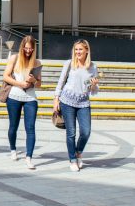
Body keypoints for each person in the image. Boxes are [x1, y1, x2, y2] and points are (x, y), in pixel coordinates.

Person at [54, 39, 99, 172]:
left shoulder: (93, 67)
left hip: (83, 102)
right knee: (71, 133)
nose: (78, 52)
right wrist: (56, 100)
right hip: (67, 101)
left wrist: (94, 84)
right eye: (76, 49)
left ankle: (78, 152)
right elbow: (61, 82)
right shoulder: (69, 64)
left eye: (80, 49)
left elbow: (92, 89)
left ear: (86, 50)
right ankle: (72, 159)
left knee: (86, 132)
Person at [2, 35, 41, 170]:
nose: (28, 51)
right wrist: (20, 84)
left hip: (30, 98)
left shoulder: (37, 63)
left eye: (31, 49)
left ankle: (29, 157)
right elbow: (6, 76)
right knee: (13, 126)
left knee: (30, 128)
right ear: (22, 47)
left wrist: (33, 81)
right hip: (14, 96)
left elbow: (40, 84)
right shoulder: (15, 58)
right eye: (26, 48)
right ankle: (13, 149)